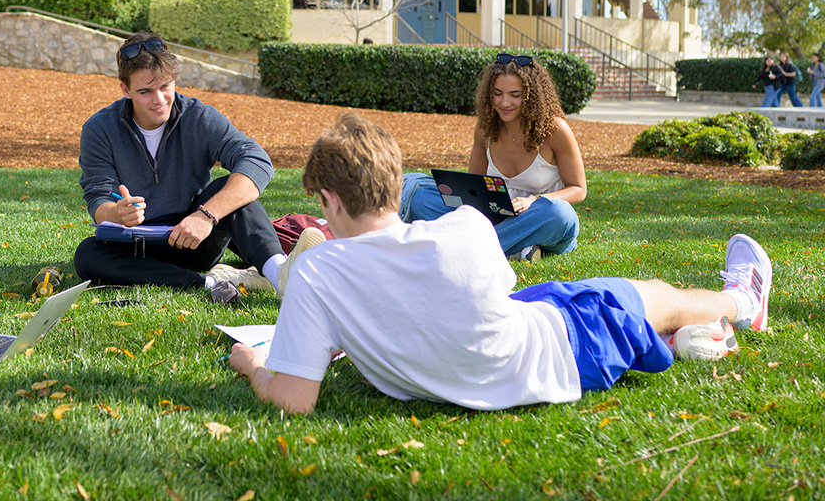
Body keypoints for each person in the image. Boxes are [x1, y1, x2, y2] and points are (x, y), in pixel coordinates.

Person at [229, 113, 774, 415]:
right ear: (398, 185)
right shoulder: (466, 229)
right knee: (649, 291)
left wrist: (253, 365)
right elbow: (494, 296)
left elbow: (292, 401)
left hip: (520, 335)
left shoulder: (317, 275)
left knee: (558, 296)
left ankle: (714, 321)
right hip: (557, 353)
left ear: (327, 201)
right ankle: (740, 302)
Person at [74, 33, 286, 303]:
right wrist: (117, 213)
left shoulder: (198, 117)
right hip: (136, 247)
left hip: (194, 238)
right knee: (87, 255)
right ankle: (207, 282)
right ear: (125, 91)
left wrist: (205, 215)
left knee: (231, 189)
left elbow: (257, 160)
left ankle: (281, 275)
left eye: (166, 86)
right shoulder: (99, 129)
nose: (159, 99)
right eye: (145, 91)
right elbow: (97, 197)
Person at [399, 53, 585, 261]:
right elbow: (474, 188)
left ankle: (464, 249)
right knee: (421, 198)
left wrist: (534, 201)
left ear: (532, 96)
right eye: (498, 93)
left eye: (515, 95)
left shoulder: (555, 130)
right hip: (496, 214)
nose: (505, 103)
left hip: (538, 215)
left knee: (561, 214)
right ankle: (514, 248)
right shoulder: (485, 127)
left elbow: (578, 189)